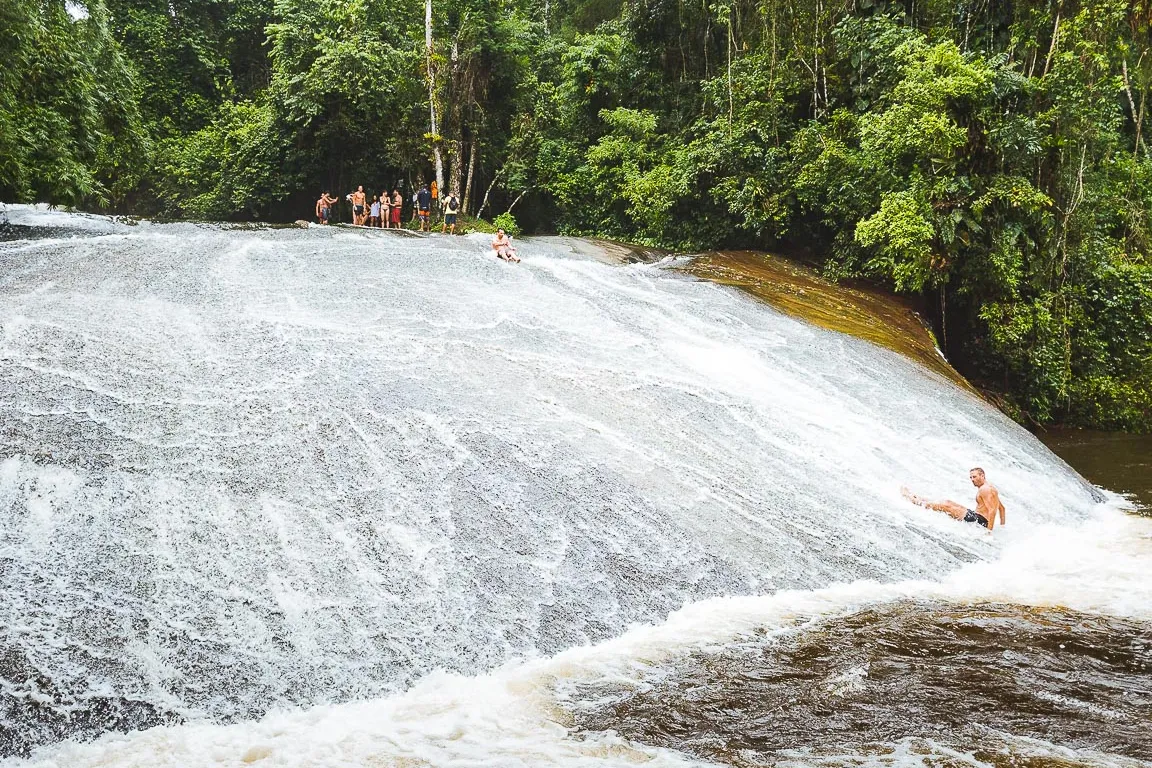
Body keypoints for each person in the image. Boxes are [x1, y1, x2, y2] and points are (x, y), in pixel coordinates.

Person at [901, 468, 1006, 531]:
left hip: (978, 521)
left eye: (974, 477)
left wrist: (989, 532)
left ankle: (915, 500)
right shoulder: (991, 488)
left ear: (982, 475)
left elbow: (993, 511)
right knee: (947, 502)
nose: (972, 480)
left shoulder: (985, 489)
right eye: (971, 478)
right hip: (976, 516)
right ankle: (919, 498)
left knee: (945, 506)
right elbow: (1002, 508)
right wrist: (1002, 527)